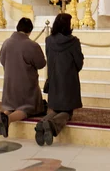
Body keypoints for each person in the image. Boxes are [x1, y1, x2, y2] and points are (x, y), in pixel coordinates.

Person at [35, 12, 84, 146]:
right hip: (69, 80)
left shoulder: (49, 40)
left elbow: (48, 57)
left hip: (54, 79)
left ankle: (41, 123)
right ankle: (51, 125)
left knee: (55, 109)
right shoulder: (73, 42)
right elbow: (79, 62)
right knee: (67, 112)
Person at [0, 17, 46, 138]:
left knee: (11, 105)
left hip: (9, 84)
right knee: (27, 108)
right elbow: (41, 64)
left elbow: (2, 60)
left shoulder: (6, 42)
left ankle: (5, 114)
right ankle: (8, 119)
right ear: (30, 31)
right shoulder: (31, 45)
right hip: (25, 85)